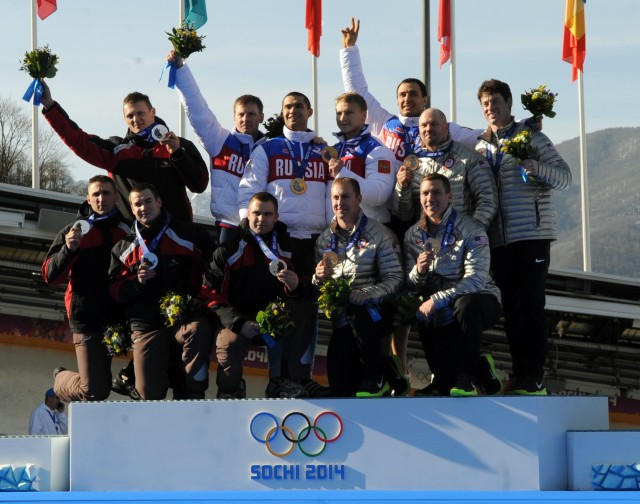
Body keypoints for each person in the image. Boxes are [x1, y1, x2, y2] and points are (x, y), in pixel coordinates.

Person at [475, 79, 572, 395]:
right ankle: (520, 375)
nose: (491, 108)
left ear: (509, 103)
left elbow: (565, 178)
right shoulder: (480, 146)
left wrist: (537, 168)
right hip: (498, 240)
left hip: (531, 234)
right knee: (512, 309)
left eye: (496, 102)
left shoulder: (531, 136)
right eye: (486, 104)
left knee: (531, 307)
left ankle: (535, 376)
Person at [237, 91, 328, 396]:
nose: (293, 111)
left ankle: (301, 376)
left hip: (315, 240)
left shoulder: (323, 151)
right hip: (281, 239)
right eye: (288, 106)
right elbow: (249, 189)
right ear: (282, 111)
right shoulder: (269, 148)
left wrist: (332, 239)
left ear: (309, 111)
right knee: (280, 306)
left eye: (299, 106)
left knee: (310, 308)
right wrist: (250, 227)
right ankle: (277, 377)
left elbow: (332, 193)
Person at [203, 192, 320, 398]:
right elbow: (211, 295)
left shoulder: (291, 249)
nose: (261, 219)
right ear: (247, 214)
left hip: (276, 320)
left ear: (276, 217)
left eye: (267, 214)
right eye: (256, 213)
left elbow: (311, 289)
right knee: (228, 345)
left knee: (305, 308)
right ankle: (231, 390)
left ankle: (284, 382)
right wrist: (238, 323)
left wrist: (296, 287)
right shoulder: (228, 250)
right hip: (239, 320)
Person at [40, 84, 208, 222]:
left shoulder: (180, 145)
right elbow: (79, 141)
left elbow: (199, 185)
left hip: (178, 236)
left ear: (153, 112)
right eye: (130, 116)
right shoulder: (117, 150)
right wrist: (50, 106)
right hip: (135, 240)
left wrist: (178, 154)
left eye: (140, 113)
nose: (136, 119)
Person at [109, 183, 213, 400]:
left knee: (199, 327)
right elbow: (115, 291)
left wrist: (199, 299)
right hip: (147, 325)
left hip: (182, 319)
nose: (143, 207)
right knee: (149, 394)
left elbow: (214, 270)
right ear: (132, 208)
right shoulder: (123, 247)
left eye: (148, 201)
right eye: (137, 204)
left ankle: (193, 393)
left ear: (159, 202)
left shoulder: (189, 234)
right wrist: (137, 282)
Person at [405, 174, 502, 396]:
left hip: (481, 299)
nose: (430, 198)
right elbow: (410, 286)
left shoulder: (472, 230)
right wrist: (418, 272)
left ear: (450, 196)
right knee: (419, 311)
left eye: (436, 192)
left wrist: (438, 299)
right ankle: (446, 377)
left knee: (464, 305)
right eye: (425, 193)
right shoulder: (412, 235)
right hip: (442, 306)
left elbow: (477, 280)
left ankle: (467, 378)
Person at [42, 175, 131, 402]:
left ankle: (127, 377)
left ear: (116, 197)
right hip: (86, 317)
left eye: (107, 193)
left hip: (116, 320)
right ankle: (61, 378)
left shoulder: (128, 231)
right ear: (88, 199)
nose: (102, 198)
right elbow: (50, 276)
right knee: (95, 390)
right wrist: (69, 250)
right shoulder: (73, 231)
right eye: (96, 194)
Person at [314, 178, 403, 397]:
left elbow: (396, 279)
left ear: (359, 199)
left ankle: (378, 376)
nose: (340, 202)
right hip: (344, 318)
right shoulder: (324, 241)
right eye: (335, 197)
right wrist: (318, 279)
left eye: (345, 196)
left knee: (359, 313)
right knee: (341, 386)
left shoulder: (380, 233)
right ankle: (388, 371)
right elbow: (320, 292)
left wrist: (366, 294)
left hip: (377, 311)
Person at [168, 50, 266, 243]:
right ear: (234, 117)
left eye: (252, 114)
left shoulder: (270, 148)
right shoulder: (220, 140)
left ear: (261, 117)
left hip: (262, 226)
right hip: (228, 226)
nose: (246, 119)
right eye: (241, 114)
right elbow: (198, 109)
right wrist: (181, 69)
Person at [393, 108, 497, 230]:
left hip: (461, 241)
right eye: (424, 125)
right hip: (426, 243)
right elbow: (404, 215)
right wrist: (402, 188)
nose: (428, 129)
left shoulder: (469, 158)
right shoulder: (412, 164)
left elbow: (488, 201)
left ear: (446, 128)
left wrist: (470, 234)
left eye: (434, 124)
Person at [327, 92, 396, 224]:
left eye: (348, 113)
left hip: (368, 231)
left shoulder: (376, 149)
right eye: (339, 113)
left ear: (363, 115)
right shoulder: (334, 149)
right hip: (338, 230)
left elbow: (379, 194)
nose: (342, 118)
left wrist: (342, 173)